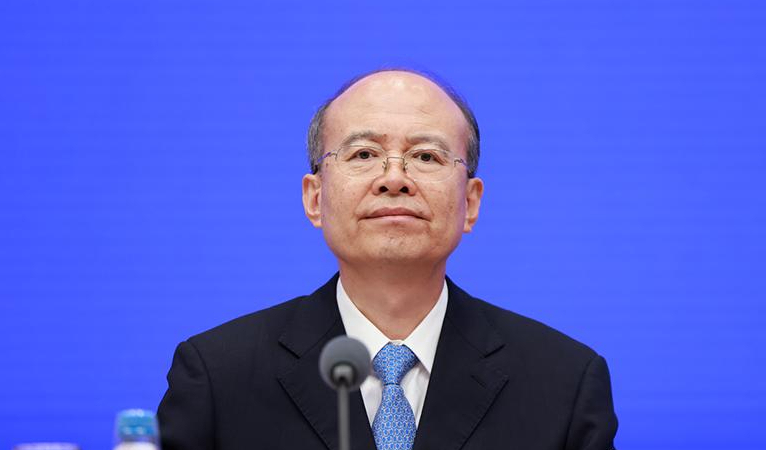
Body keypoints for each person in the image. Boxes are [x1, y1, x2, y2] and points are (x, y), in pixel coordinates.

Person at [157, 69, 618, 450]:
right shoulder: (219, 376)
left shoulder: (562, 382)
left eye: (426, 156)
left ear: (470, 203)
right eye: (364, 153)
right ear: (314, 198)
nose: (394, 178)